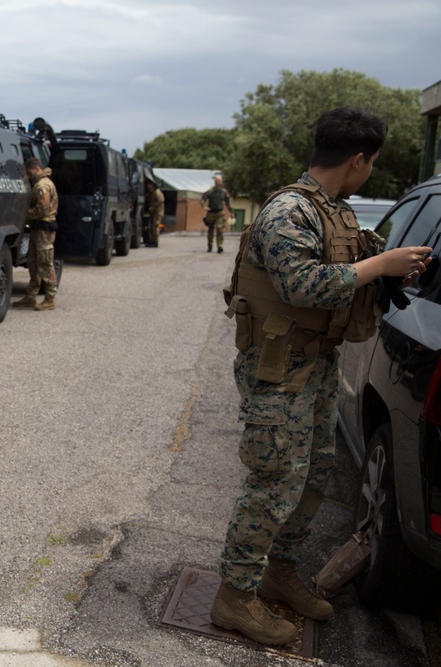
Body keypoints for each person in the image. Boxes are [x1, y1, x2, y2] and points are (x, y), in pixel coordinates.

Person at [212, 107, 433, 645]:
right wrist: (379, 267)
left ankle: (279, 572)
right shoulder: (289, 211)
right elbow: (302, 285)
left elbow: (348, 267)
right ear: (358, 159)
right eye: (373, 161)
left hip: (317, 361)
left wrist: (389, 263)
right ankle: (234, 595)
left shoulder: (334, 211)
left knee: (311, 475)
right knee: (274, 479)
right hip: (279, 366)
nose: (371, 171)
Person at [14, 158, 60, 310]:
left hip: (43, 230)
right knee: (33, 263)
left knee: (45, 264)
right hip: (37, 229)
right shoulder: (40, 184)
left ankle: (50, 299)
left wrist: (24, 214)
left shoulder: (43, 185)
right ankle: (31, 296)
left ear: (37, 169)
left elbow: (42, 208)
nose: (29, 176)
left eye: (29, 172)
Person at [200, 174, 233, 253]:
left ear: (221, 182)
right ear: (214, 182)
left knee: (219, 229)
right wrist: (203, 206)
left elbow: (228, 203)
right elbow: (203, 198)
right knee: (210, 230)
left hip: (220, 213)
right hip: (211, 213)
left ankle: (220, 246)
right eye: (216, 181)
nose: (218, 182)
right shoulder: (210, 191)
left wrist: (231, 212)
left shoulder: (224, 192)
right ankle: (210, 246)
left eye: (219, 181)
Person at [145, 178, 164, 247]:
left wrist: (153, 207)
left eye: (149, 184)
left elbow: (160, 201)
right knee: (153, 227)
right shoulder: (152, 192)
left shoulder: (157, 192)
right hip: (154, 212)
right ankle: (153, 241)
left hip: (157, 212)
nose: (148, 186)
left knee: (155, 227)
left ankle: (155, 242)